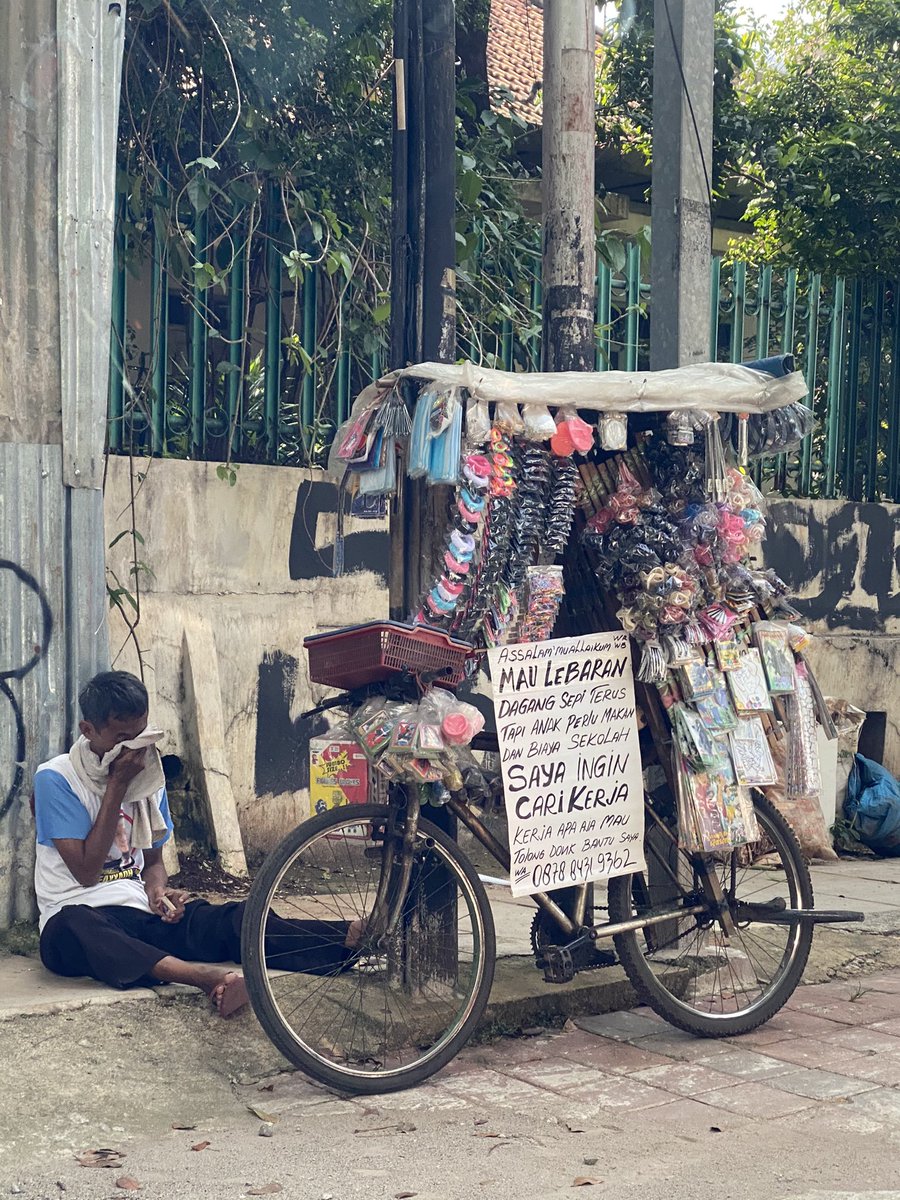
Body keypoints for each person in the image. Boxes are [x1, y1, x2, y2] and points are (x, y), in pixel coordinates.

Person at [34, 670, 360, 1017]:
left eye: (140, 734)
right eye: (121, 738)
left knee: (234, 918)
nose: (134, 748)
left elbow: (153, 863)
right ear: (89, 731)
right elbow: (85, 873)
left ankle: (350, 938)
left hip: (137, 912)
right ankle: (202, 977)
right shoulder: (57, 778)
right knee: (76, 926)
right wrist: (117, 785)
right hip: (77, 917)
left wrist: (157, 893)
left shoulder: (146, 778)